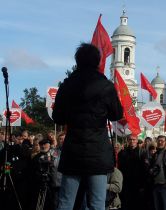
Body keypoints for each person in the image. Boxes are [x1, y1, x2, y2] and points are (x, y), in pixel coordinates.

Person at [52, 43, 123, 210]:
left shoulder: (67, 85)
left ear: (77, 61)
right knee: (97, 203)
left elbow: (58, 117)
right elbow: (117, 114)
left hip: (73, 150)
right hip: (98, 152)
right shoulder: (106, 86)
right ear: (98, 62)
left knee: (65, 202)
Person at [118, 134, 146, 210]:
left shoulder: (142, 152)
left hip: (138, 183)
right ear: (127, 140)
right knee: (126, 203)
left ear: (137, 141)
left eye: (134, 139)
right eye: (130, 139)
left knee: (138, 204)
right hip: (126, 183)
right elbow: (120, 168)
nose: (132, 141)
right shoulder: (122, 153)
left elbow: (145, 169)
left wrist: (143, 184)